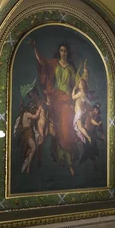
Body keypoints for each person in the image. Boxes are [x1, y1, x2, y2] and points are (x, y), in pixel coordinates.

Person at [33, 42, 79, 176]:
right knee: (57, 127)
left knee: (67, 127)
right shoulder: (54, 63)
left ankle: (69, 157)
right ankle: (62, 157)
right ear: (59, 52)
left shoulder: (71, 68)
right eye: (61, 50)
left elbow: (77, 83)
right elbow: (42, 61)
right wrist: (36, 47)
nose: (63, 53)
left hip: (67, 100)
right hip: (55, 98)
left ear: (67, 52)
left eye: (65, 50)